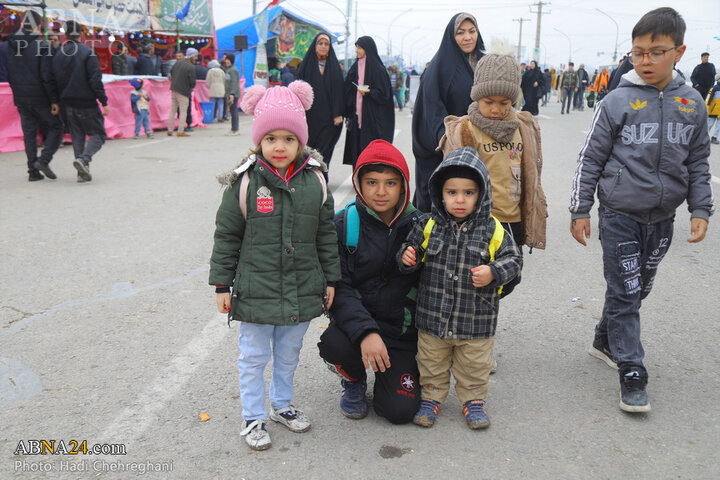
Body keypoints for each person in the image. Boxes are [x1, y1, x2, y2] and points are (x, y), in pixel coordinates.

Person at [569, 7, 713, 413]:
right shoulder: (617, 100)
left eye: (656, 52)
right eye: (638, 52)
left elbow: (699, 162)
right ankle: (632, 368)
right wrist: (581, 209)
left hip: (662, 218)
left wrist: (700, 208)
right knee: (626, 291)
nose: (645, 60)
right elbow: (590, 158)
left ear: (679, 52)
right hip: (619, 215)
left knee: (637, 287)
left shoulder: (693, 104)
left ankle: (604, 338)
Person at [209, 80, 341, 451]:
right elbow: (226, 236)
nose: (279, 146)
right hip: (255, 290)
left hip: (301, 287)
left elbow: (325, 235)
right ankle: (253, 416)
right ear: (258, 142)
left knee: (288, 354)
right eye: (271, 138)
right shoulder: (245, 181)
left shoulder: (316, 181)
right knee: (252, 356)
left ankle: (281, 404)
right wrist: (222, 285)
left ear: (301, 141)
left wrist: (330, 279)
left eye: (288, 138)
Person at [398, 147, 522, 429]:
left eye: (468, 192)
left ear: (481, 194)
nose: (459, 200)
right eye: (452, 192)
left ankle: (474, 400)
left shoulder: (494, 229)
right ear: (440, 194)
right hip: (433, 317)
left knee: (474, 365)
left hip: (476, 320)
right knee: (431, 361)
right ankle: (431, 397)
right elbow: (409, 249)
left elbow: (514, 259)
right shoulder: (428, 225)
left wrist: (493, 271)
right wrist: (407, 257)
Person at [317, 139, 422, 424]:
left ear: (403, 186)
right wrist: (366, 333)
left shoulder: (421, 227)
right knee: (333, 344)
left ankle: (391, 373)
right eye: (372, 182)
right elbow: (338, 287)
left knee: (400, 411)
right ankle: (353, 378)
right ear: (359, 183)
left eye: (390, 183)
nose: (381, 191)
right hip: (357, 329)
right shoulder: (343, 225)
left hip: (401, 334)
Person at [439, 52, 548, 257]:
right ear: (477, 96)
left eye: (504, 103)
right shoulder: (465, 130)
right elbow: (449, 183)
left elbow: (531, 174)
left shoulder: (523, 127)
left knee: (509, 277)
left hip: (513, 219)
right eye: (488, 102)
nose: (496, 109)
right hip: (480, 221)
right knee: (479, 278)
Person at [411, 13, 485, 212]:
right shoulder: (438, 68)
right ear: (451, 37)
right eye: (461, 33)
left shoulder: (485, 64)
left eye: (472, 31)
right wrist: (450, 143)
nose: (467, 37)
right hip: (446, 148)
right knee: (441, 204)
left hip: (482, 145)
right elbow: (432, 109)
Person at [6, 10, 63, 182]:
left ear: (22, 24)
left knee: (29, 133)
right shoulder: (43, 46)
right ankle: (43, 160)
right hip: (41, 97)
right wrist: (54, 100)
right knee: (56, 126)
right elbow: (48, 76)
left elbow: (8, 73)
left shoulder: (8, 46)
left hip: (21, 96)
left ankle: (33, 171)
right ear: (39, 26)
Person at [51, 20, 108, 183]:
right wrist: (103, 101)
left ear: (65, 35)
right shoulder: (87, 52)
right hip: (86, 101)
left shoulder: (58, 54)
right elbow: (95, 79)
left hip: (67, 102)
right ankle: (84, 161)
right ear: (81, 34)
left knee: (77, 136)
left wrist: (56, 100)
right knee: (98, 134)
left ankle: (82, 172)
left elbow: (53, 79)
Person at [296, 33, 344, 178]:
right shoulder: (305, 65)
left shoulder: (335, 67)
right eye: (320, 43)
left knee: (325, 149)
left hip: (330, 118)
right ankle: (309, 178)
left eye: (326, 44)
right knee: (309, 149)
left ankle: (322, 177)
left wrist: (338, 113)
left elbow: (339, 91)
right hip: (309, 117)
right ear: (315, 46)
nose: (323, 47)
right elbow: (298, 89)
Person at [342, 36, 394, 167]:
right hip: (356, 116)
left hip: (371, 118)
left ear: (367, 49)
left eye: (359, 48)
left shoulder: (378, 69)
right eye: (356, 47)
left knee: (369, 148)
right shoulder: (355, 67)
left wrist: (370, 92)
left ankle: (369, 177)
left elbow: (385, 95)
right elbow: (347, 89)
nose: (356, 51)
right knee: (356, 149)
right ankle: (357, 176)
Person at [167, 49, 195, 137]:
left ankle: (170, 130)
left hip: (174, 89)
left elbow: (171, 73)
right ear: (191, 56)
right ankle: (180, 130)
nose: (196, 58)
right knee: (183, 111)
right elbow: (192, 82)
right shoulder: (190, 66)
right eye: (195, 56)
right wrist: (189, 87)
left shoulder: (177, 63)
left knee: (172, 110)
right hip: (183, 91)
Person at [223, 53, 240, 136]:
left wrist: (232, 94)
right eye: (226, 59)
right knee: (232, 111)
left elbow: (234, 83)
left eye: (228, 59)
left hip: (233, 94)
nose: (226, 61)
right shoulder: (229, 69)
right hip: (230, 93)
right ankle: (233, 129)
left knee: (234, 112)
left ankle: (235, 129)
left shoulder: (232, 70)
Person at [707, 73, 720, 144]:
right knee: (709, 124)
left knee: (719, 126)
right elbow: (708, 99)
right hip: (713, 111)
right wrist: (707, 108)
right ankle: (704, 137)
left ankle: (714, 137)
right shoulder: (714, 88)